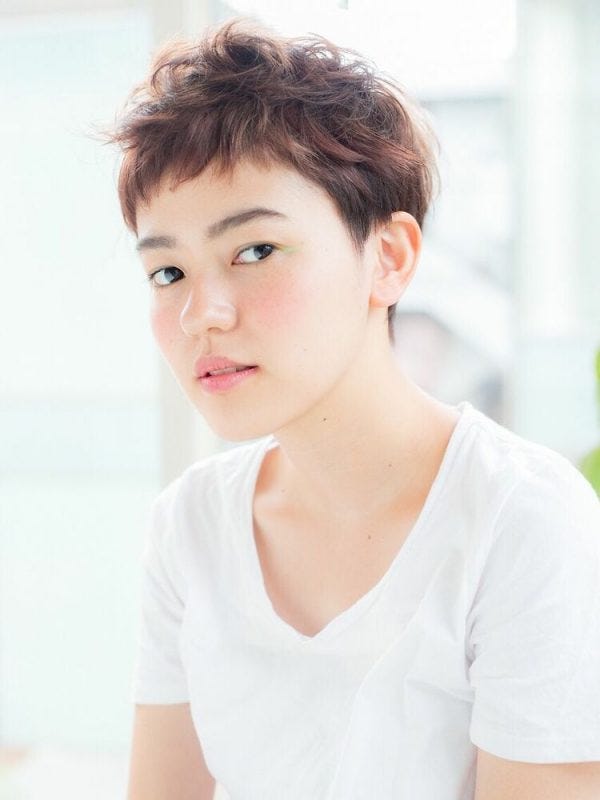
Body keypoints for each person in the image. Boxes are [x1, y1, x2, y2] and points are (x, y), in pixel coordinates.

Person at [106, 19, 600, 800]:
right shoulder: (191, 525)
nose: (203, 314)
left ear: (389, 258)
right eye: (168, 272)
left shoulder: (521, 520)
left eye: (255, 250)